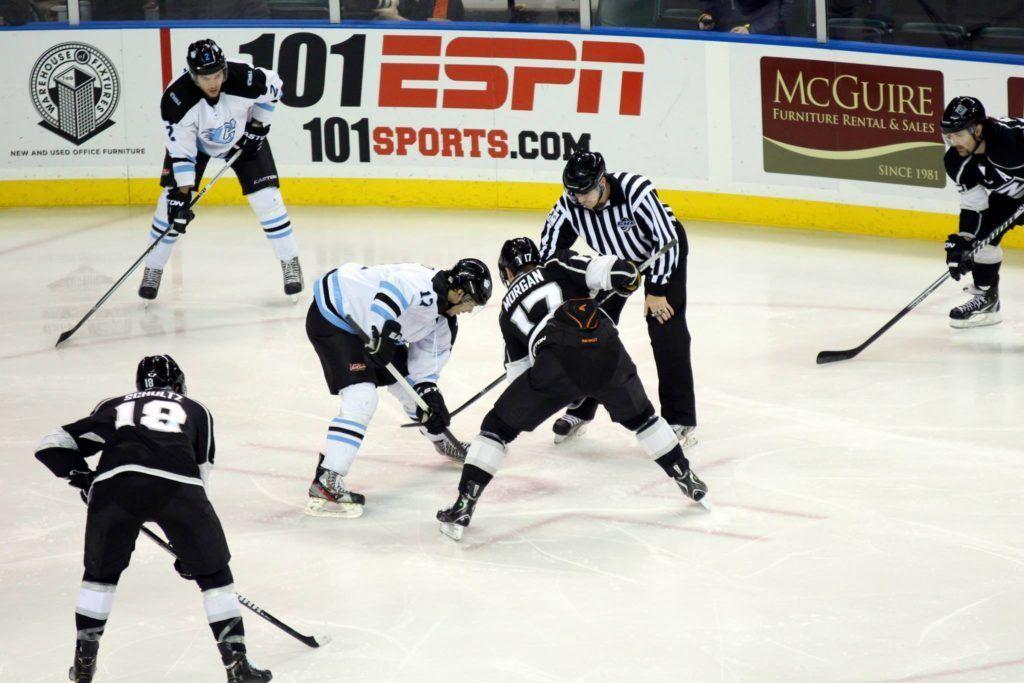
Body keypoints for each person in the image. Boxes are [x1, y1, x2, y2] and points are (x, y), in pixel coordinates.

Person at [436, 238, 707, 540]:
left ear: (506, 272)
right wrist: (624, 275)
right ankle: (686, 476)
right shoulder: (556, 264)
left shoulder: (507, 310)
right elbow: (601, 269)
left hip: (555, 362)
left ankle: (464, 505)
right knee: (644, 418)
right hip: (606, 348)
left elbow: (520, 375)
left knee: (495, 429)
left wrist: (557, 387)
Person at [34, 356, 271, 683]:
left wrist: (83, 477)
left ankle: (84, 665)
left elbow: (51, 444)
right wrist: (189, 548)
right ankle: (237, 667)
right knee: (215, 575)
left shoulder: (113, 405)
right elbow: (200, 478)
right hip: (178, 489)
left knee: (99, 577)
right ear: (178, 384)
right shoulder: (196, 409)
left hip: (114, 489)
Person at [305, 258, 493, 518]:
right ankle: (327, 479)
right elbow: (389, 294)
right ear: (459, 293)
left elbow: (423, 372)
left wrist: (431, 398)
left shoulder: (444, 324)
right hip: (337, 314)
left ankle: (442, 440)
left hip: (376, 330)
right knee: (362, 398)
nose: (470, 310)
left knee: (418, 399)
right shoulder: (420, 282)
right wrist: (380, 332)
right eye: (472, 303)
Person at [539, 150, 696, 447]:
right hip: (616, 264)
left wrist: (657, 289)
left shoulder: (636, 190)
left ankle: (679, 418)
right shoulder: (570, 205)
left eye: (584, 192)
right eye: (573, 194)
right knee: (588, 331)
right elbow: (549, 255)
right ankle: (582, 407)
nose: (579, 200)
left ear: (602, 181)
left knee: (666, 329)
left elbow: (669, 241)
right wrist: (588, 273)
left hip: (660, 256)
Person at [139, 39, 302, 301]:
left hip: (244, 139)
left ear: (224, 69)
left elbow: (275, 89)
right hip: (197, 147)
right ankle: (153, 268)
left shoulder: (243, 78)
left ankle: (290, 262)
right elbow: (182, 151)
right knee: (168, 206)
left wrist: (258, 126)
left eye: (217, 74)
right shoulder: (176, 100)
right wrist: (181, 195)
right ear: (193, 76)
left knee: (267, 199)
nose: (213, 82)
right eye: (205, 78)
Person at [941, 96, 1024, 328]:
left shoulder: (1011, 141)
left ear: (977, 129)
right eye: (949, 135)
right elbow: (973, 204)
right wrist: (964, 241)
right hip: (1012, 196)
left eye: (959, 134)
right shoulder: (957, 162)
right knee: (982, 239)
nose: (953, 140)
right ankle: (987, 299)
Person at [698, 0, 797, 35]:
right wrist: (708, 21)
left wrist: (751, 30)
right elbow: (710, 9)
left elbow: (781, 19)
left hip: (765, 45)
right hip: (725, 44)